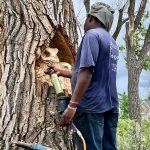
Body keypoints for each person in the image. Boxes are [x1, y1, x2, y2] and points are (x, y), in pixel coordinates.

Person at [50, 2, 119, 150]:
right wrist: (63, 72)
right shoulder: (112, 42)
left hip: (90, 107)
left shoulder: (91, 35)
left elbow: (87, 72)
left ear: (90, 18)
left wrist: (72, 105)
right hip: (110, 106)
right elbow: (98, 74)